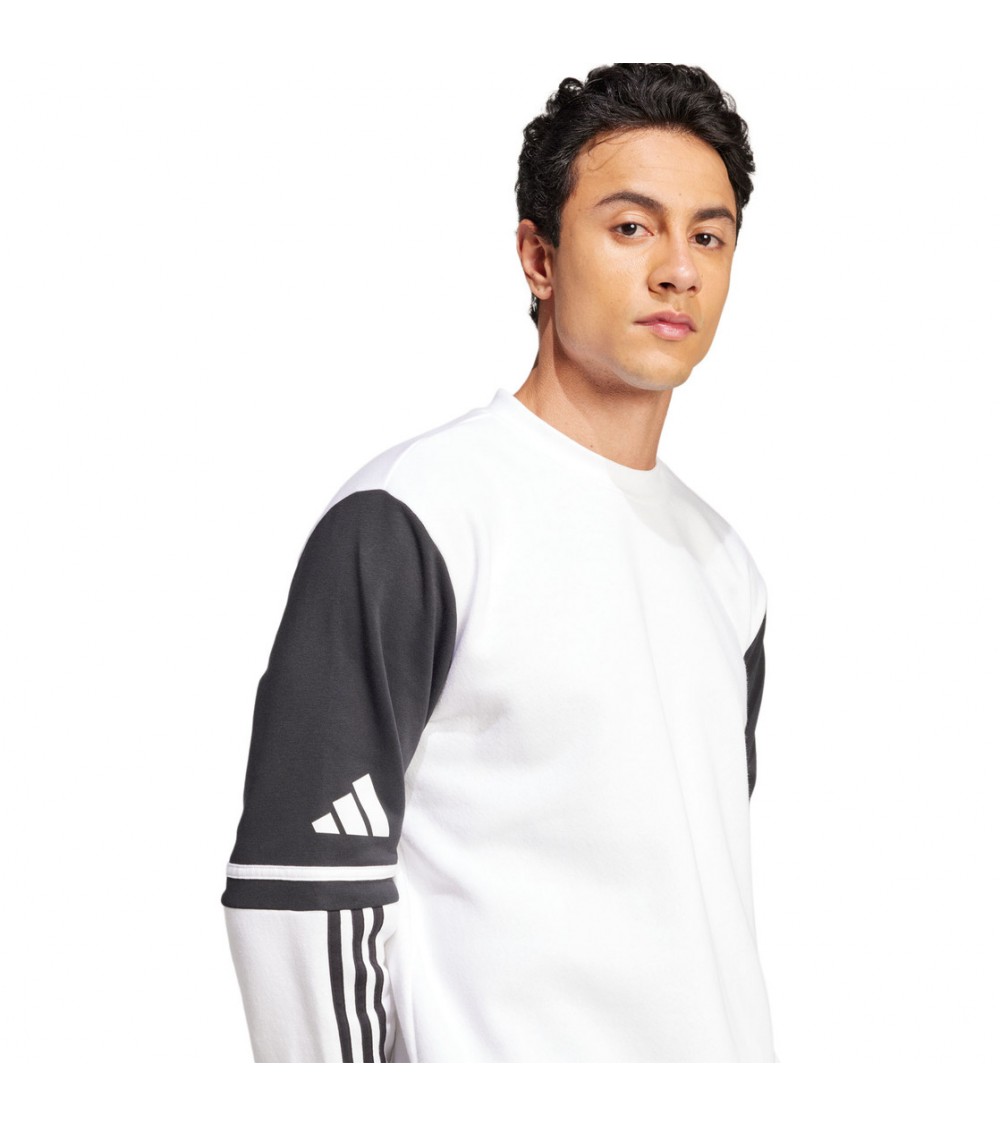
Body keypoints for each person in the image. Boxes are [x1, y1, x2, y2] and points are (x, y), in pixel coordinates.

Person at [221, 62, 777, 1063]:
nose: (677, 270)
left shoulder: (724, 566)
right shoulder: (418, 516)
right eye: (631, 226)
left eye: (709, 235)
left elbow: (683, 910)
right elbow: (300, 893)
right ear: (538, 256)